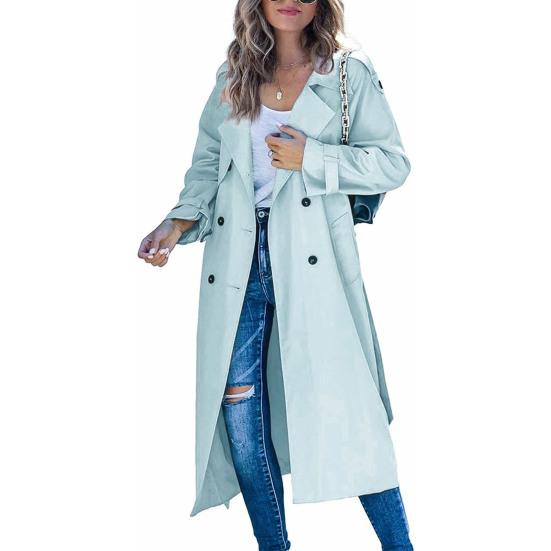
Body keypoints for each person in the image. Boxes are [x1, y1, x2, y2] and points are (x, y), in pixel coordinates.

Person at [138, 1, 413, 549]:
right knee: (240, 415)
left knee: (350, 414)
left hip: (314, 263)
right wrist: (176, 224)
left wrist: (314, 158)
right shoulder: (234, 74)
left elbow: (391, 162)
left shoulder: (346, 74)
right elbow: (209, 165)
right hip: (237, 264)